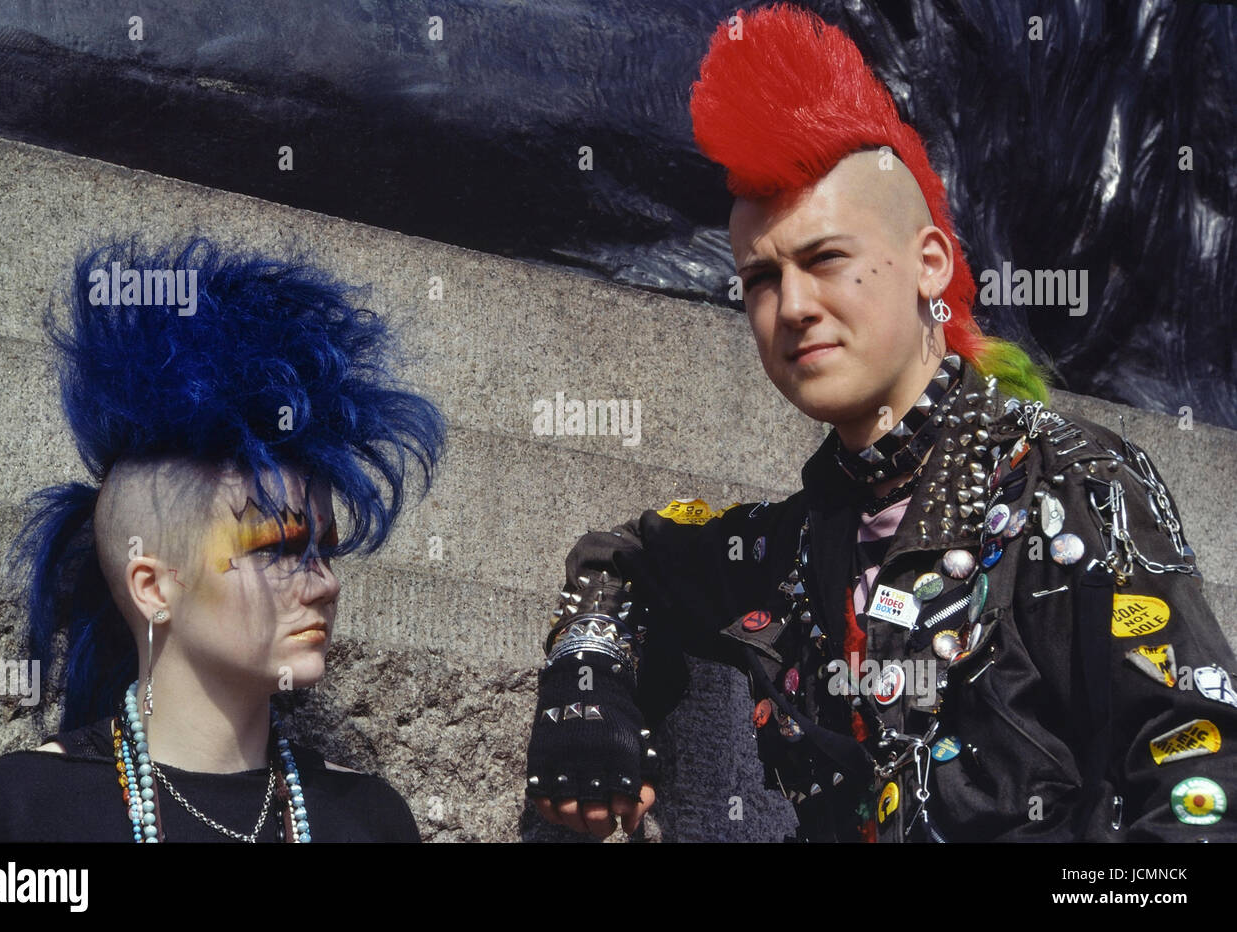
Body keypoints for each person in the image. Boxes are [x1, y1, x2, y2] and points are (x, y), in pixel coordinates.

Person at [524, 5, 1237, 842]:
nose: (792, 307)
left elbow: (1204, 787)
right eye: (758, 279)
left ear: (930, 264)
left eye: (826, 259)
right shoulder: (785, 552)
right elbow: (623, 563)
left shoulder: (1071, 485)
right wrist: (586, 677)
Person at [0, 238, 444, 842]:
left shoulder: (366, 819)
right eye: (276, 548)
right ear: (152, 587)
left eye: (325, 550)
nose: (325, 582)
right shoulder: (26, 812)